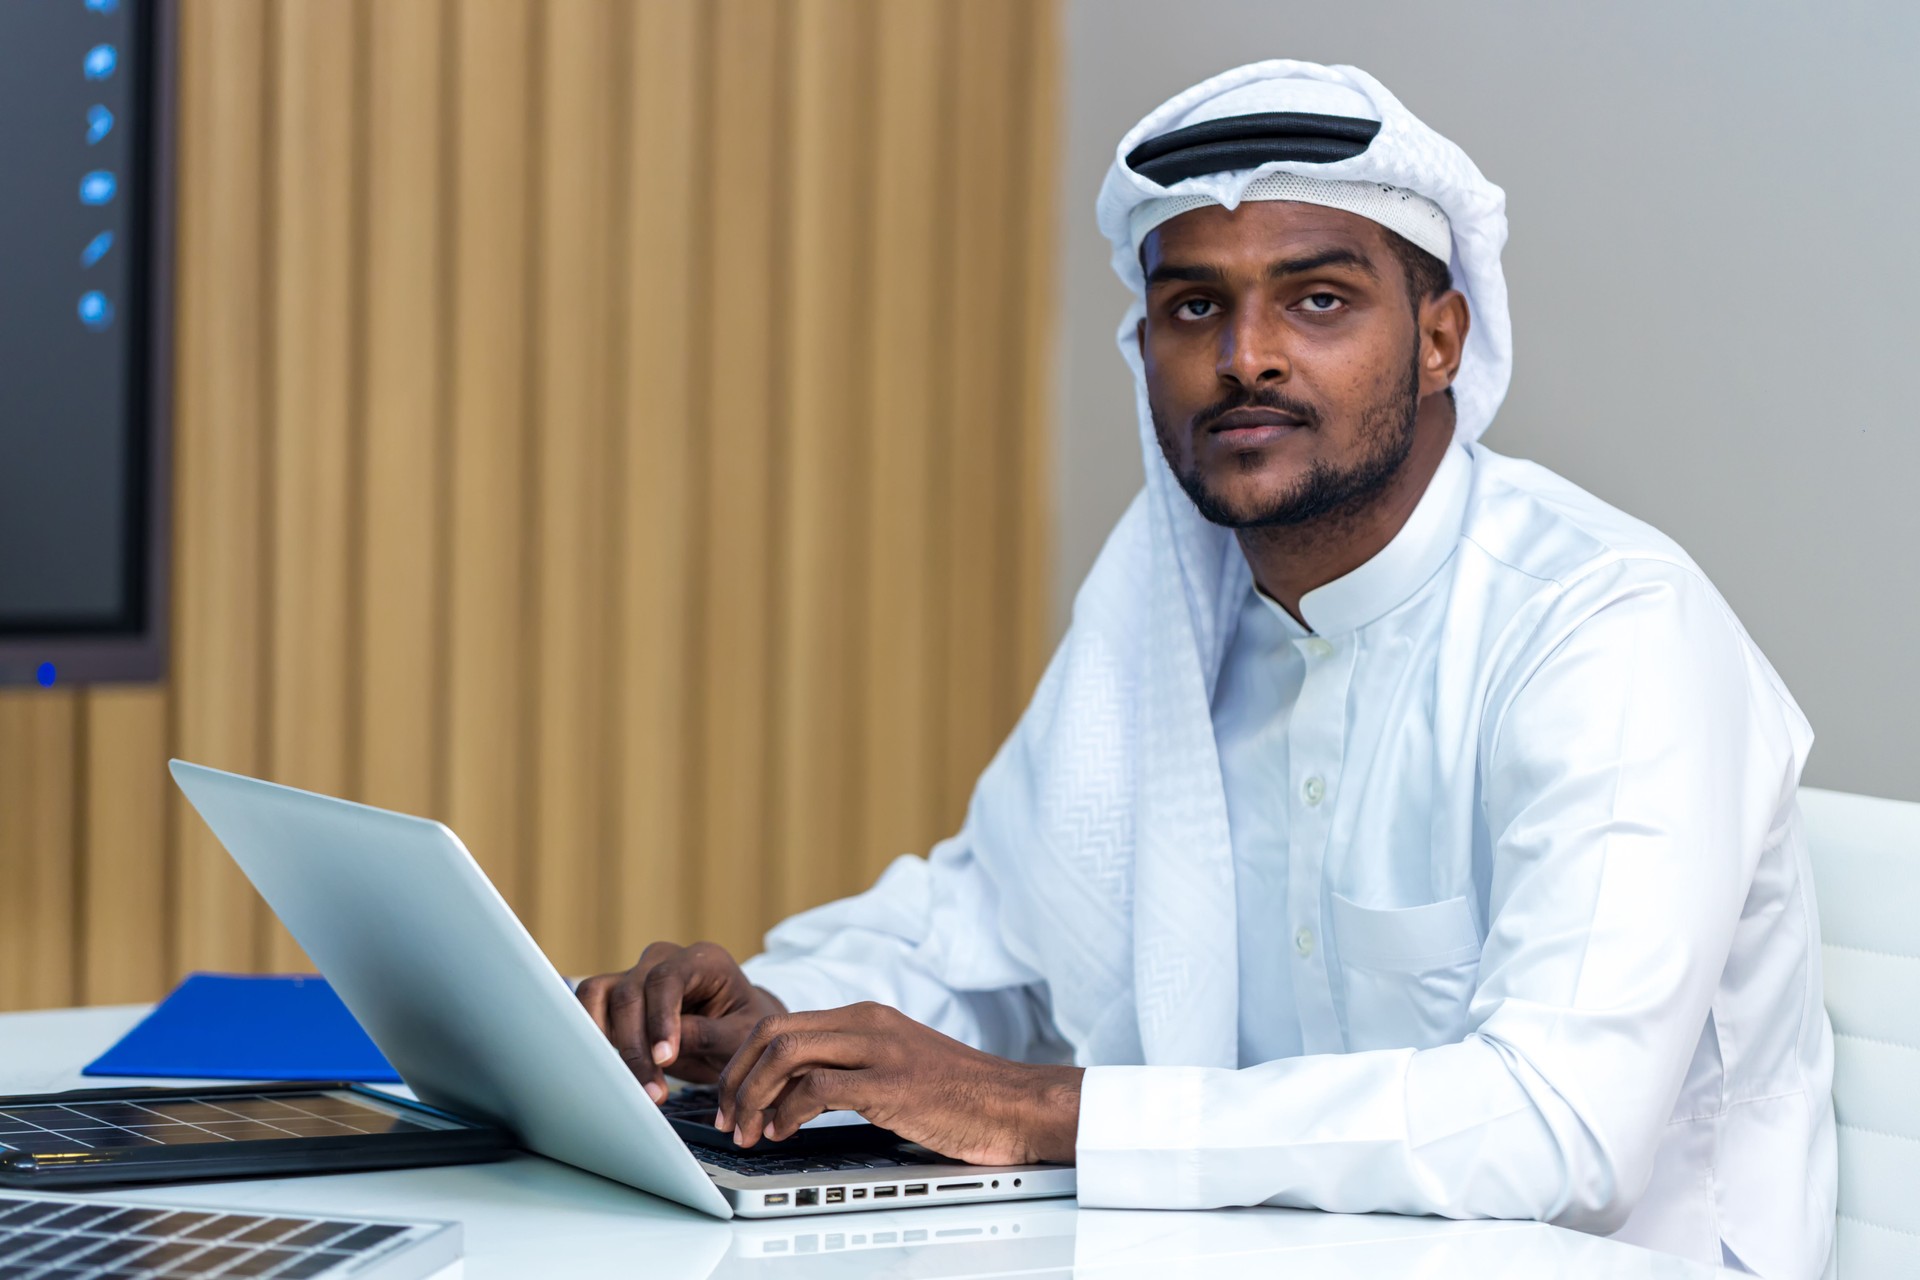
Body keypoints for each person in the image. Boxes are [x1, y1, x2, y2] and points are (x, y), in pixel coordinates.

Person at [577, 61, 1834, 1279]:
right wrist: (770, 1021)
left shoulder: (1604, 626)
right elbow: (983, 940)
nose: (1248, 354)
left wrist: (1043, 1108)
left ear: (1442, 336)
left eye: (1319, 299)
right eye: (1195, 307)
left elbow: (1559, 1127)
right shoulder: (1168, 626)